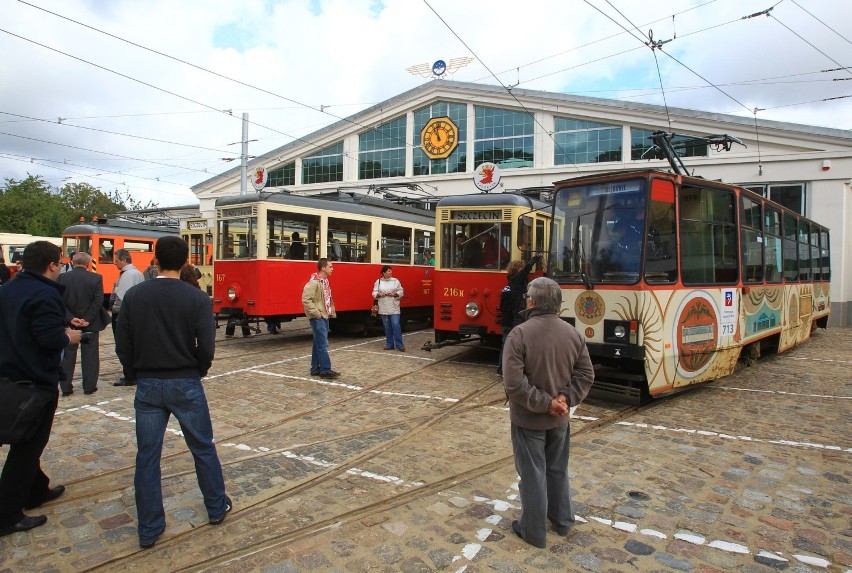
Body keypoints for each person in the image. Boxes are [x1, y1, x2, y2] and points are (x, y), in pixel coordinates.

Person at [115, 236, 231, 549]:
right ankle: (216, 507)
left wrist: (135, 370)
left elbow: (122, 342)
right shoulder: (196, 298)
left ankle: (149, 527)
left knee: (147, 456)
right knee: (202, 448)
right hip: (185, 381)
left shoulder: (136, 296)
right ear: (184, 262)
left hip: (149, 383)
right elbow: (206, 345)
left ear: (155, 259)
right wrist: (199, 368)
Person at [501, 277, 595, 549]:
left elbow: (514, 384)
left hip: (530, 418)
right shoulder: (572, 333)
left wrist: (547, 403)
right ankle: (563, 522)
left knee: (532, 474)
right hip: (559, 418)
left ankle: (533, 531)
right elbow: (586, 374)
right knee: (557, 469)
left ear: (531, 301)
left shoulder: (519, 334)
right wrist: (564, 399)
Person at [0, 241, 82, 537]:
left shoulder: (8, 289)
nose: (60, 268)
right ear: (51, 265)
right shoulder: (46, 294)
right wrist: (69, 337)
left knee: (27, 443)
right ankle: (7, 514)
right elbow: (49, 339)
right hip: (36, 381)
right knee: (28, 447)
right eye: (59, 264)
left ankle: (36, 489)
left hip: (9, 376)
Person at [58, 252, 107, 396]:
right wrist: (88, 319)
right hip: (90, 324)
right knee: (90, 355)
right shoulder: (96, 278)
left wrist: (70, 318)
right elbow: (98, 301)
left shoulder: (63, 277)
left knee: (67, 355)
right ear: (88, 264)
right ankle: (89, 386)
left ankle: (66, 387)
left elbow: (59, 301)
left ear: (72, 262)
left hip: (69, 324)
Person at [497, 254, 542, 376]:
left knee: (507, 344)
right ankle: (505, 370)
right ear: (518, 270)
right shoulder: (517, 281)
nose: (525, 271)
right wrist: (534, 259)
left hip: (509, 319)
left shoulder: (512, 284)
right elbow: (525, 271)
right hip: (514, 319)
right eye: (521, 269)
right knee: (513, 344)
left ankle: (502, 369)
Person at [111, 249, 144, 387]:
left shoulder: (128, 275)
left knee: (123, 345)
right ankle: (134, 372)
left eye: (117, 260)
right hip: (134, 313)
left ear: (124, 260)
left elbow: (122, 296)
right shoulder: (137, 273)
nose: (115, 263)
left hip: (123, 314)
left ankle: (130, 375)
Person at [301, 258, 339, 378]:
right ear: (323, 268)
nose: (332, 269)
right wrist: (317, 313)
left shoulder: (324, 281)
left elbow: (327, 298)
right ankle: (325, 370)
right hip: (319, 316)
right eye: (330, 267)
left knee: (318, 343)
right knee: (322, 344)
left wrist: (330, 310)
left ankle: (315, 369)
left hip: (324, 314)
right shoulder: (314, 282)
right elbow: (306, 299)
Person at [372, 265, 405, 351]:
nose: (390, 272)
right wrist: (379, 294)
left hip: (394, 307)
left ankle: (400, 345)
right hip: (383, 307)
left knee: (395, 325)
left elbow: (401, 291)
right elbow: (374, 292)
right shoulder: (378, 281)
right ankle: (389, 344)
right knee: (387, 327)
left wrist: (395, 294)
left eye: (391, 271)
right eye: (388, 271)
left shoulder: (395, 281)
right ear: (384, 273)